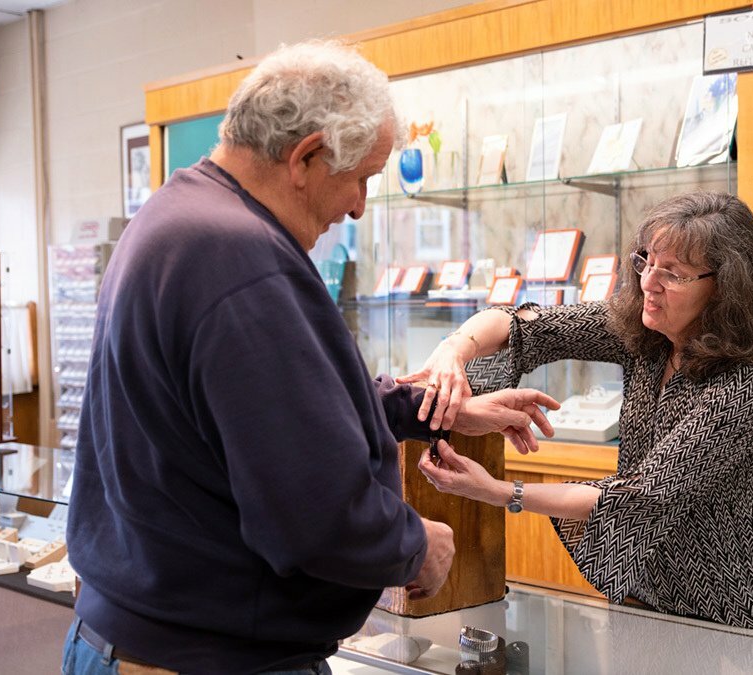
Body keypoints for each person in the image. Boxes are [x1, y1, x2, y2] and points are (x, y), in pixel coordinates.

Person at [63, 40, 557, 675]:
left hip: (136, 636)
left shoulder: (178, 215)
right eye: (360, 178)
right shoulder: (240, 260)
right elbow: (314, 512)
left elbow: (271, 409)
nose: (358, 206)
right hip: (204, 659)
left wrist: (434, 410)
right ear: (305, 157)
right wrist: (414, 546)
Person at [402, 191, 753, 628]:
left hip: (734, 603)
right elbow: (525, 326)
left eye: (672, 273)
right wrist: (454, 349)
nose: (648, 282)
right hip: (644, 592)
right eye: (646, 261)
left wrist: (501, 492)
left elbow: (644, 493)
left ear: (725, 287)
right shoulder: (650, 333)